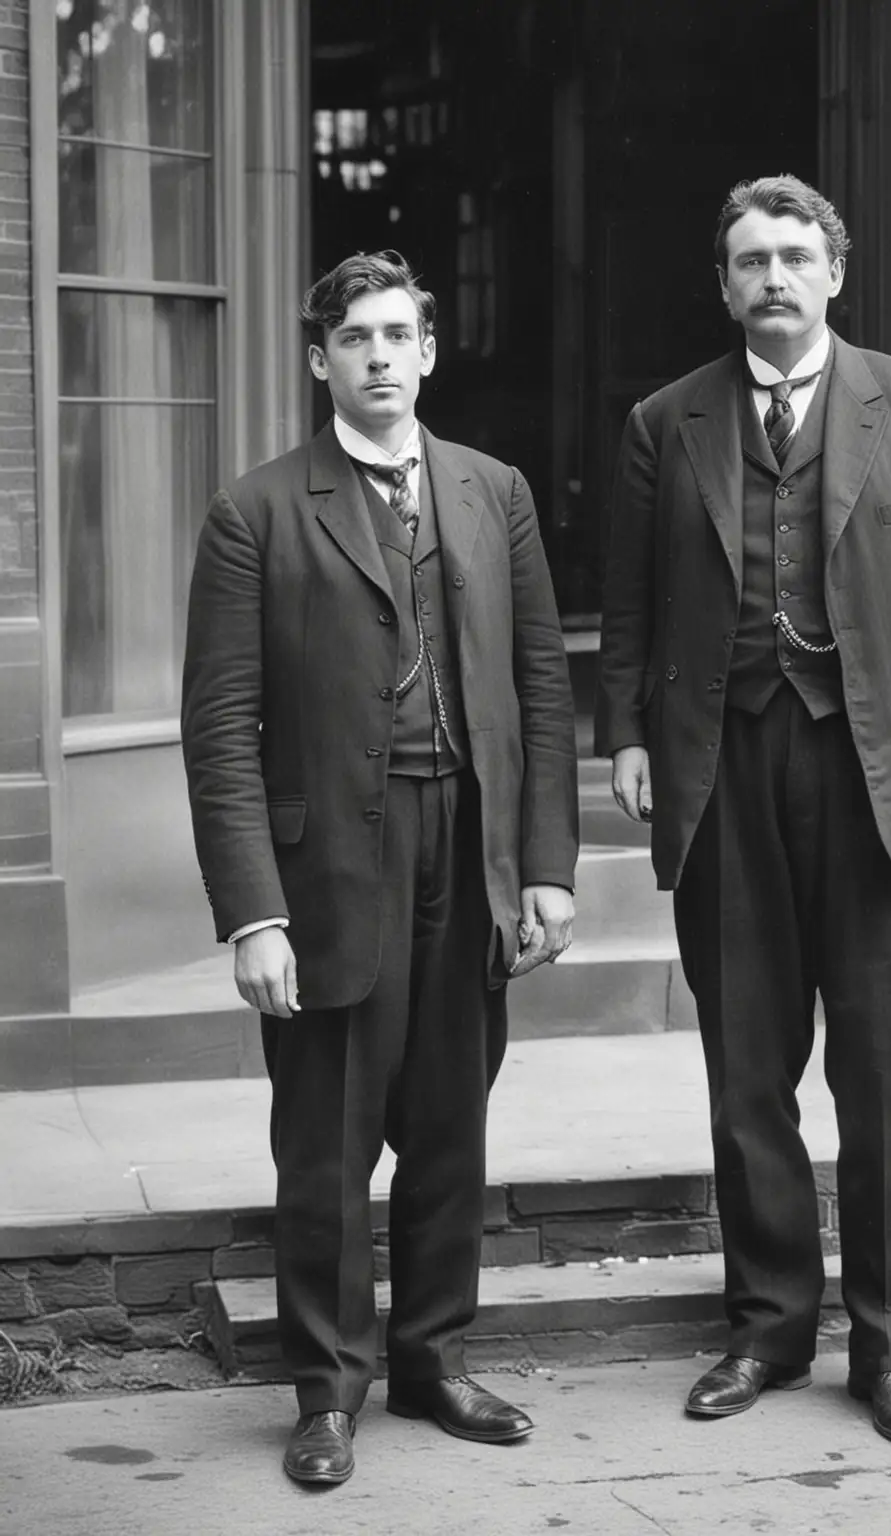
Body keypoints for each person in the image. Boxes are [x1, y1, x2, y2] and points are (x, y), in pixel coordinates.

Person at [598, 175, 891, 1447]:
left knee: (884, 1072)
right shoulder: (667, 422)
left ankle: (888, 1349)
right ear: (723, 287)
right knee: (748, 1069)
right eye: (749, 260)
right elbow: (628, 604)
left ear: (835, 272)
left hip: (872, 774)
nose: (773, 277)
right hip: (724, 772)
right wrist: (629, 736)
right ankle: (768, 1327)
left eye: (793, 255)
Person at [181, 251, 578, 1485]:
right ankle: (328, 1389)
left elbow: (541, 689)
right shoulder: (257, 512)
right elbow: (221, 726)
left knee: (452, 1122)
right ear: (321, 361)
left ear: (429, 350)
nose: (380, 357)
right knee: (328, 1139)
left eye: (399, 335)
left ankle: (432, 1362)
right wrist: (254, 913)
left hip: (468, 847)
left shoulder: (491, 491)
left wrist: (547, 868)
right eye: (355, 338)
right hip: (329, 869)